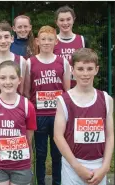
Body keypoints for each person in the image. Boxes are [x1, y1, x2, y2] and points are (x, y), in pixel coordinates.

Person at [54, 48, 114, 185]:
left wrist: (105, 166)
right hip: (73, 166)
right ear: (73, 70)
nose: (85, 73)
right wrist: (77, 167)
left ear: (96, 70)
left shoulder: (106, 99)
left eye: (89, 69)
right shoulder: (64, 100)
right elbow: (58, 136)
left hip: (99, 166)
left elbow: (110, 135)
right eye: (80, 69)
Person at [24, 25, 71, 185]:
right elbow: (27, 90)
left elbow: (67, 91)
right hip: (39, 115)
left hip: (57, 115)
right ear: (37, 41)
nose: (46, 42)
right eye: (43, 39)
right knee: (40, 154)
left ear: (56, 41)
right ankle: (40, 182)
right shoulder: (30, 63)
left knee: (58, 153)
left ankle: (58, 182)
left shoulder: (62, 62)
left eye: (50, 39)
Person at [0, 60, 37, 185]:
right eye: (3, 78)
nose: (8, 82)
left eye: (12, 77)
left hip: (21, 164)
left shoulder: (28, 106)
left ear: (19, 80)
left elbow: (29, 137)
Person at [53, 5, 88, 88]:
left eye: (68, 19)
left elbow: (88, 63)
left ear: (74, 20)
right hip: (57, 87)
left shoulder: (83, 40)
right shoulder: (51, 41)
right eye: (61, 20)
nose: (65, 23)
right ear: (56, 22)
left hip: (78, 87)